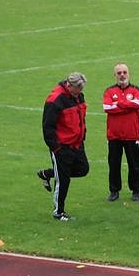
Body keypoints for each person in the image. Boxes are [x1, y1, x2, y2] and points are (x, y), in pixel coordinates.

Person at [37, 72, 89, 221]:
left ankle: (48, 173)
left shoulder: (78, 96)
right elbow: (48, 127)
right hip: (62, 146)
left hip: (77, 144)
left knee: (83, 169)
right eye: (78, 89)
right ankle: (58, 211)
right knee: (63, 180)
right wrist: (56, 148)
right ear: (69, 85)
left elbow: (81, 117)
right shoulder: (55, 100)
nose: (80, 93)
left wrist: (82, 135)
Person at [103, 63, 139, 203]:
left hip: (132, 134)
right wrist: (127, 104)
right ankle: (114, 191)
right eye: (119, 73)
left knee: (134, 164)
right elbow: (107, 107)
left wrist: (118, 103)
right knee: (114, 164)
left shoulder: (136, 90)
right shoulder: (109, 91)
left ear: (128, 73)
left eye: (124, 72)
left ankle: (136, 190)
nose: (122, 75)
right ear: (115, 75)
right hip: (114, 135)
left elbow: (138, 104)